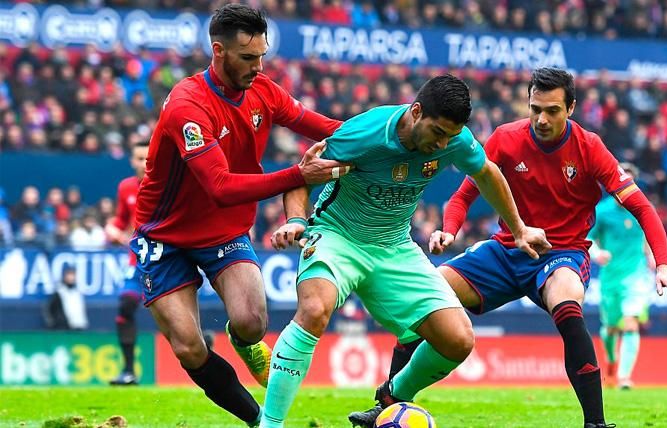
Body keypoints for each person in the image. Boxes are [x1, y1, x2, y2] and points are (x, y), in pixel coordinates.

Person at [348, 68, 667, 428]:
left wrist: (664, 265)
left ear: (570, 108)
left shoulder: (590, 148)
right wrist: (449, 230)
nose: (542, 119)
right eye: (535, 108)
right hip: (505, 250)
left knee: (568, 305)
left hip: (562, 253)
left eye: (552, 110)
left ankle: (595, 423)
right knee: (427, 296)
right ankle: (387, 404)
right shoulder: (506, 138)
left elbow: (642, 207)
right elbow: (463, 195)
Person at [262, 74, 551, 427]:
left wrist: (519, 229)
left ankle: (391, 396)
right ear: (416, 112)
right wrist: (296, 221)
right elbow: (302, 177)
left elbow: (487, 174)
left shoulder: (455, 140)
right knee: (314, 308)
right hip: (338, 236)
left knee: (458, 340)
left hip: (394, 245)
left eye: (450, 135)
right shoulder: (364, 132)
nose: (443, 143)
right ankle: (270, 424)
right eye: (437, 132)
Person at [131, 4, 349, 426]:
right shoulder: (187, 106)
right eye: (249, 58)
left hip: (223, 233)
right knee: (190, 348)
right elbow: (220, 186)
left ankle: (241, 340)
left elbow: (325, 126)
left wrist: (392, 135)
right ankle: (258, 420)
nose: (259, 66)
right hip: (165, 237)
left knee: (251, 322)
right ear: (218, 51)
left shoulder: (265, 91)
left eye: (262, 56)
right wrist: (297, 175)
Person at [588, 162, 653, 390]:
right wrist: (597, 253)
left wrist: (653, 257)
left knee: (630, 323)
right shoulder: (602, 211)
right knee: (610, 329)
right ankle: (612, 360)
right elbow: (587, 238)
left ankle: (624, 377)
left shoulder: (641, 207)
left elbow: (650, 231)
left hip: (636, 276)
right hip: (611, 277)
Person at [106, 141, 148, 386]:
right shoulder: (126, 188)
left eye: (147, 158)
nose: (143, 163)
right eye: (139, 158)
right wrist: (113, 229)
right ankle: (129, 371)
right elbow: (121, 220)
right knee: (126, 304)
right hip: (137, 260)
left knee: (174, 319)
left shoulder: (166, 183)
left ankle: (203, 343)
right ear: (131, 161)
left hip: (165, 259)